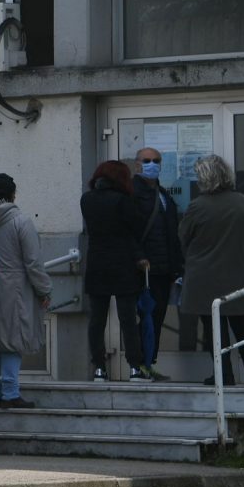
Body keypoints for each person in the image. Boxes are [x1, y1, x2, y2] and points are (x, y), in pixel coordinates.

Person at [178, 154, 244, 387]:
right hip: (238, 274)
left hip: (203, 278)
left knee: (214, 330)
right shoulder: (242, 201)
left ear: (203, 178)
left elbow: (183, 238)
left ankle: (223, 375)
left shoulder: (197, 206)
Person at [0, 172, 52, 410]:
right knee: (13, 338)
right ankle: (11, 393)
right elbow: (33, 261)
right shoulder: (21, 221)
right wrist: (44, 289)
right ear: (12, 193)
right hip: (16, 286)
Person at [79, 160, 145, 384]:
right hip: (122, 263)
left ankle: (99, 368)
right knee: (128, 319)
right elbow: (134, 228)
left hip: (96, 263)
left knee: (97, 320)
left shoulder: (86, 199)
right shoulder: (123, 200)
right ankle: (135, 367)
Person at [130, 144, 186, 381]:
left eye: (156, 160)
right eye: (146, 161)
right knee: (147, 318)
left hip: (164, 269)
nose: (152, 165)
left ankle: (149, 363)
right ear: (137, 164)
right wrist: (139, 256)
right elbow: (130, 230)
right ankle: (140, 365)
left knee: (157, 317)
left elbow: (172, 234)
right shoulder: (133, 192)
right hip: (144, 269)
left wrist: (177, 267)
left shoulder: (163, 195)